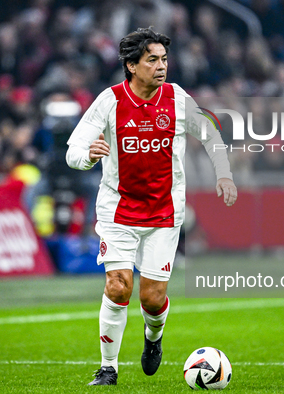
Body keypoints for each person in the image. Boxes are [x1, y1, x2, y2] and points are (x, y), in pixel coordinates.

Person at [65, 27, 237, 386]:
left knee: (153, 298)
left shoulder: (176, 98)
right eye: (152, 60)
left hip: (164, 213)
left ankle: (153, 337)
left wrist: (224, 174)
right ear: (131, 65)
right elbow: (73, 150)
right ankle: (108, 367)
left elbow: (210, 134)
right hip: (118, 211)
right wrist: (87, 157)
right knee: (117, 286)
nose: (161, 67)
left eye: (164, 59)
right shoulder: (110, 101)